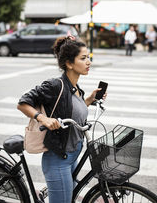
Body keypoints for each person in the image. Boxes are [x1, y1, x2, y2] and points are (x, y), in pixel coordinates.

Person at [17, 36, 106, 203]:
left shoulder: (76, 87)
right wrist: (43, 119)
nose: (88, 62)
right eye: (83, 58)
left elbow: (69, 112)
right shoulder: (55, 85)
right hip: (59, 159)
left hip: (72, 155)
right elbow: (22, 103)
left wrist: (89, 100)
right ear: (69, 64)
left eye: (88, 57)